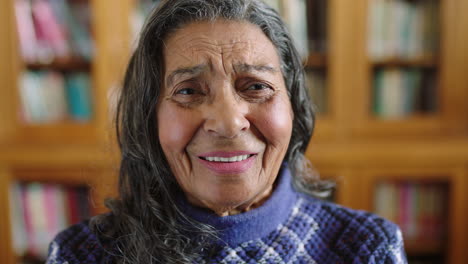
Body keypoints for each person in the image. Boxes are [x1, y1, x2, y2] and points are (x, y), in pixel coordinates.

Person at [46, 0, 407, 263]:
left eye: (255, 87)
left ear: (294, 106)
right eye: (188, 91)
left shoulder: (366, 248)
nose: (229, 122)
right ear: (149, 117)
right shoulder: (82, 254)